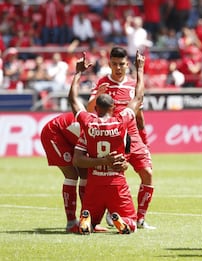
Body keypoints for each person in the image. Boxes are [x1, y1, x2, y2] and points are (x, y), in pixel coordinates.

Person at [69, 50, 145, 234]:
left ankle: (86, 221)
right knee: (131, 224)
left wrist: (78, 73)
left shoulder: (88, 123)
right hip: (116, 182)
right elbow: (138, 98)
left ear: (97, 107)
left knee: (91, 223)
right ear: (113, 107)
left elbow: (73, 100)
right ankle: (123, 221)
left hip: (94, 182)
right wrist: (140, 69)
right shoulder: (121, 122)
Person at [87, 46, 155, 229]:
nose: (118, 68)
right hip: (111, 137)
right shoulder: (102, 83)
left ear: (127, 65)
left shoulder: (133, 84)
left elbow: (139, 114)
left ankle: (140, 219)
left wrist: (145, 140)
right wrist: (98, 96)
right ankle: (113, 211)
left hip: (132, 134)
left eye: (122, 64)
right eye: (115, 64)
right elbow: (88, 109)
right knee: (114, 176)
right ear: (109, 63)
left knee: (147, 173)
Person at [40, 112, 87, 233]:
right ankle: (71, 222)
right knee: (72, 175)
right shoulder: (94, 127)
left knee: (86, 174)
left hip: (71, 137)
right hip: (54, 133)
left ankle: (85, 221)